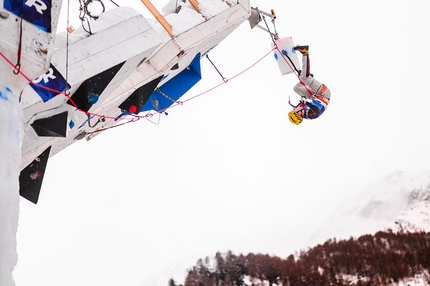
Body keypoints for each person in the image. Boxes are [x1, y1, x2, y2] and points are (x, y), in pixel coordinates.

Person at [286, 45, 331, 125]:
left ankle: (308, 77)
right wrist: (306, 102)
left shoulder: (302, 109)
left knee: (296, 88)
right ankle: (305, 52)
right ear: (299, 113)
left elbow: (304, 98)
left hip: (315, 96)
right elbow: (316, 110)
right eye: (294, 110)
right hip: (324, 94)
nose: (294, 108)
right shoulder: (310, 115)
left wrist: (303, 99)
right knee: (304, 77)